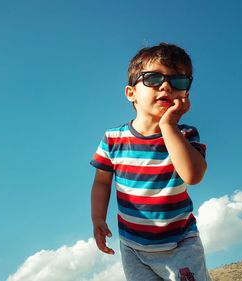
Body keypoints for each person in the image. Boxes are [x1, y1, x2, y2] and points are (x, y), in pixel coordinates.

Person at [90, 43, 211, 281]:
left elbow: (193, 176)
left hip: (181, 244)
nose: (166, 85)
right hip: (133, 247)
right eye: (154, 78)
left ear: (186, 93)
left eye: (178, 81)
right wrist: (97, 218)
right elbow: (102, 182)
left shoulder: (185, 135)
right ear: (131, 93)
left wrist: (168, 125)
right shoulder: (113, 139)